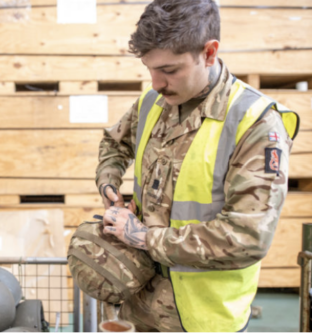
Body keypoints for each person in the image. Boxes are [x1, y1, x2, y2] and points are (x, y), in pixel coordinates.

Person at [95, 0, 299, 332]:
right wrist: (109, 184)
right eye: (150, 69)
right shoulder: (153, 103)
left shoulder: (255, 123)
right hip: (140, 304)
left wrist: (144, 237)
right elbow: (114, 144)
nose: (156, 83)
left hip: (204, 316)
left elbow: (247, 237)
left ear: (209, 53)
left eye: (170, 70)